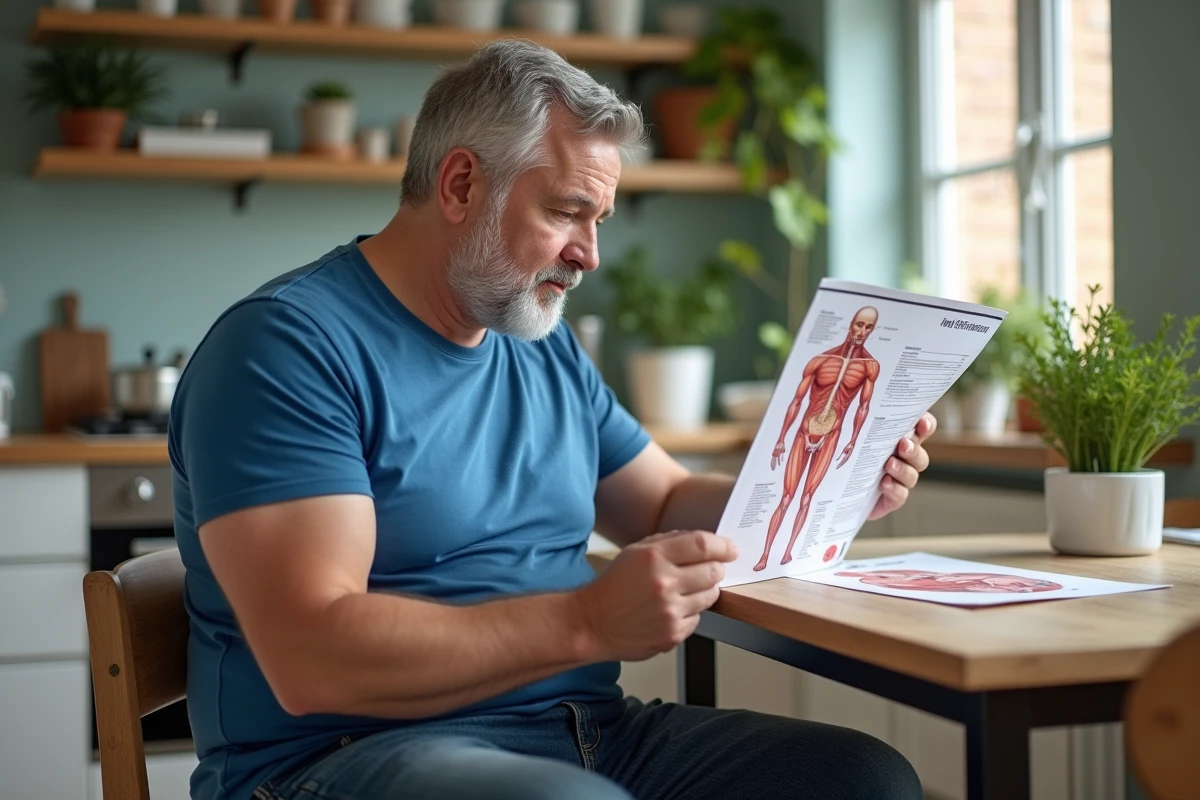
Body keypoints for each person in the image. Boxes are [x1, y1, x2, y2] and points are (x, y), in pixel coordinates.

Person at [170, 40, 934, 800]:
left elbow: (663, 504)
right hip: (346, 757)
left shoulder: (540, 345)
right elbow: (312, 656)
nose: (591, 254)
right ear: (462, 183)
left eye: (598, 217)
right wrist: (588, 621)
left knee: (865, 780)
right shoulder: (285, 349)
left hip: (585, 732)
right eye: (569, 211)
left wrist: (842, 476)